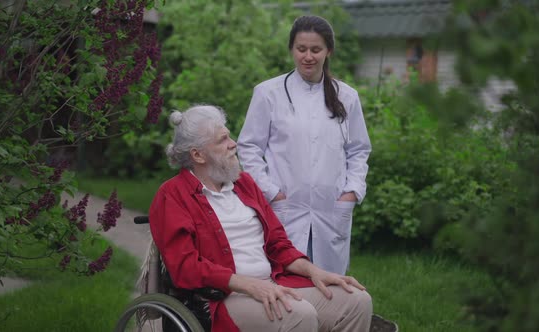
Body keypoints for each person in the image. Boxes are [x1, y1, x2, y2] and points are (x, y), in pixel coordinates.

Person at [149, 104, 372, 332]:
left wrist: (317, 272)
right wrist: (248, 285)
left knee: (356, 301)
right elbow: (185, 267)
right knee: (298, 315)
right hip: (223, 297)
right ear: (197, 155)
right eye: (222, 140)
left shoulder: (243, 184)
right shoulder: (173, 196)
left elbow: (278, 244)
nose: (233, 143)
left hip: (273, 283)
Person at [237, 15, 371, 275]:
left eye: (316, 49)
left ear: (328, 51)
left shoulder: (347, 97)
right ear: (291, 50)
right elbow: (249, 147)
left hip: (332, 212)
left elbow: (359, 150)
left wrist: (352, 192)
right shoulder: (268, 93)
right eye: (301, 49)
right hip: (286, 211)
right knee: (288, 290)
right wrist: (271, 192)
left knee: (332, 292)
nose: (308, 56)